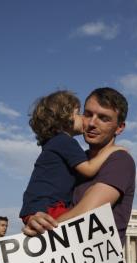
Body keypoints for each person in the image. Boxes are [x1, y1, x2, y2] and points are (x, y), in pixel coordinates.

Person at [23, 87, 136, 263]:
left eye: (104, 118)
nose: (92, 123)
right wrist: (35, 220)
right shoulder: (73, 159)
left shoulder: (119, 161)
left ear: (120, 128)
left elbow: (88, 211)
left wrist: (41, 230)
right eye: (89, 114)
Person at [20, 90, 124, 223]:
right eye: (79, 114)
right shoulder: (64, 141)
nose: (83, 118)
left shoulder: (53, 142)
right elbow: (89, 169)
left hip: (35, 207)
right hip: (49, 207)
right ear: (65, 118)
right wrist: (112, 150)